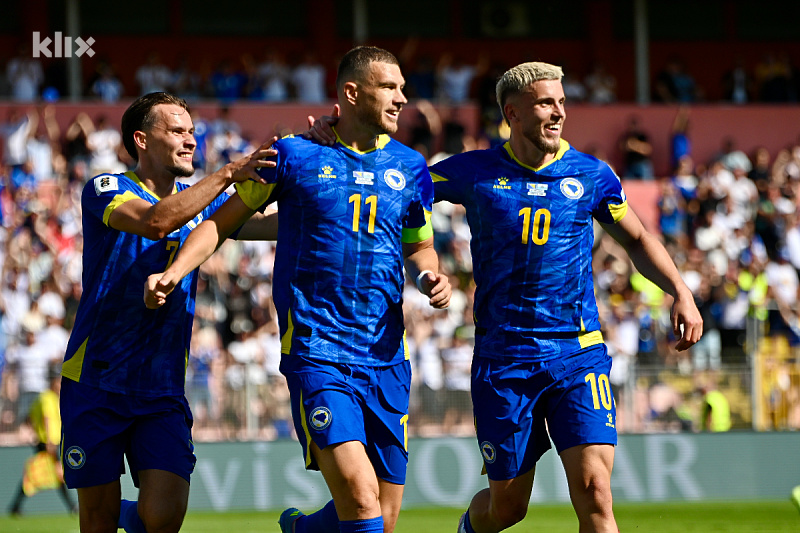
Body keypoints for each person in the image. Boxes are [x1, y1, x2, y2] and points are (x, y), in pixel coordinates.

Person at [306, 60, 703, 533]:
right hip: (504, 360)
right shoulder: (475, 172)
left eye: (561, 103)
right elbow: (391, 185)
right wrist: (333, 145)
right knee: (508, 508)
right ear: (512, 114)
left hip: (578, 352)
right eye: (544, 104)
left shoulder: (592, 176)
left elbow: (637, 239)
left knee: (596, 492)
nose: (557, 113)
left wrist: (680, 291)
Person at [144, 46, 451, 533]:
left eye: (402, 87)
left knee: (384, 518)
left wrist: (429, 274)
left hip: (388, 354)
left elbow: (419, 245)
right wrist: (175, 271)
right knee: (362, 502)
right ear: (352, 93)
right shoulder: (293, 155)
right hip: (319, 350)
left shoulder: (411, 167)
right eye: (390, 87)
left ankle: (305, 530)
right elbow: (223, 225)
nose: (402, 98)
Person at [59, 91, 278, 533]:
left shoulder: (201, 201)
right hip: (96, 381)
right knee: (96, 523)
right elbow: (156, 221)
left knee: (162, 518)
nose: (190, 140)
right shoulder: (106, 189)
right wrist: (230, 172)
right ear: (141, 139)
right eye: (176, 130)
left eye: (192, 131)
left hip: (161, 389)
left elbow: (271, 223)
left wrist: (311, 169)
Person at [8, 367, 77, 516]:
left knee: (41, 477)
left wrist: (34, 430)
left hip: (48, 443)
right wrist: (48, 443)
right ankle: (72, 507)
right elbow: (46, 418)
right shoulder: (47, 398)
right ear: (53, 382)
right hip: (48, 444)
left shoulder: (44, 398)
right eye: (59, 381)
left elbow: (29, 417)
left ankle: (15, 506)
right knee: (56, 475)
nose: (60, 385)